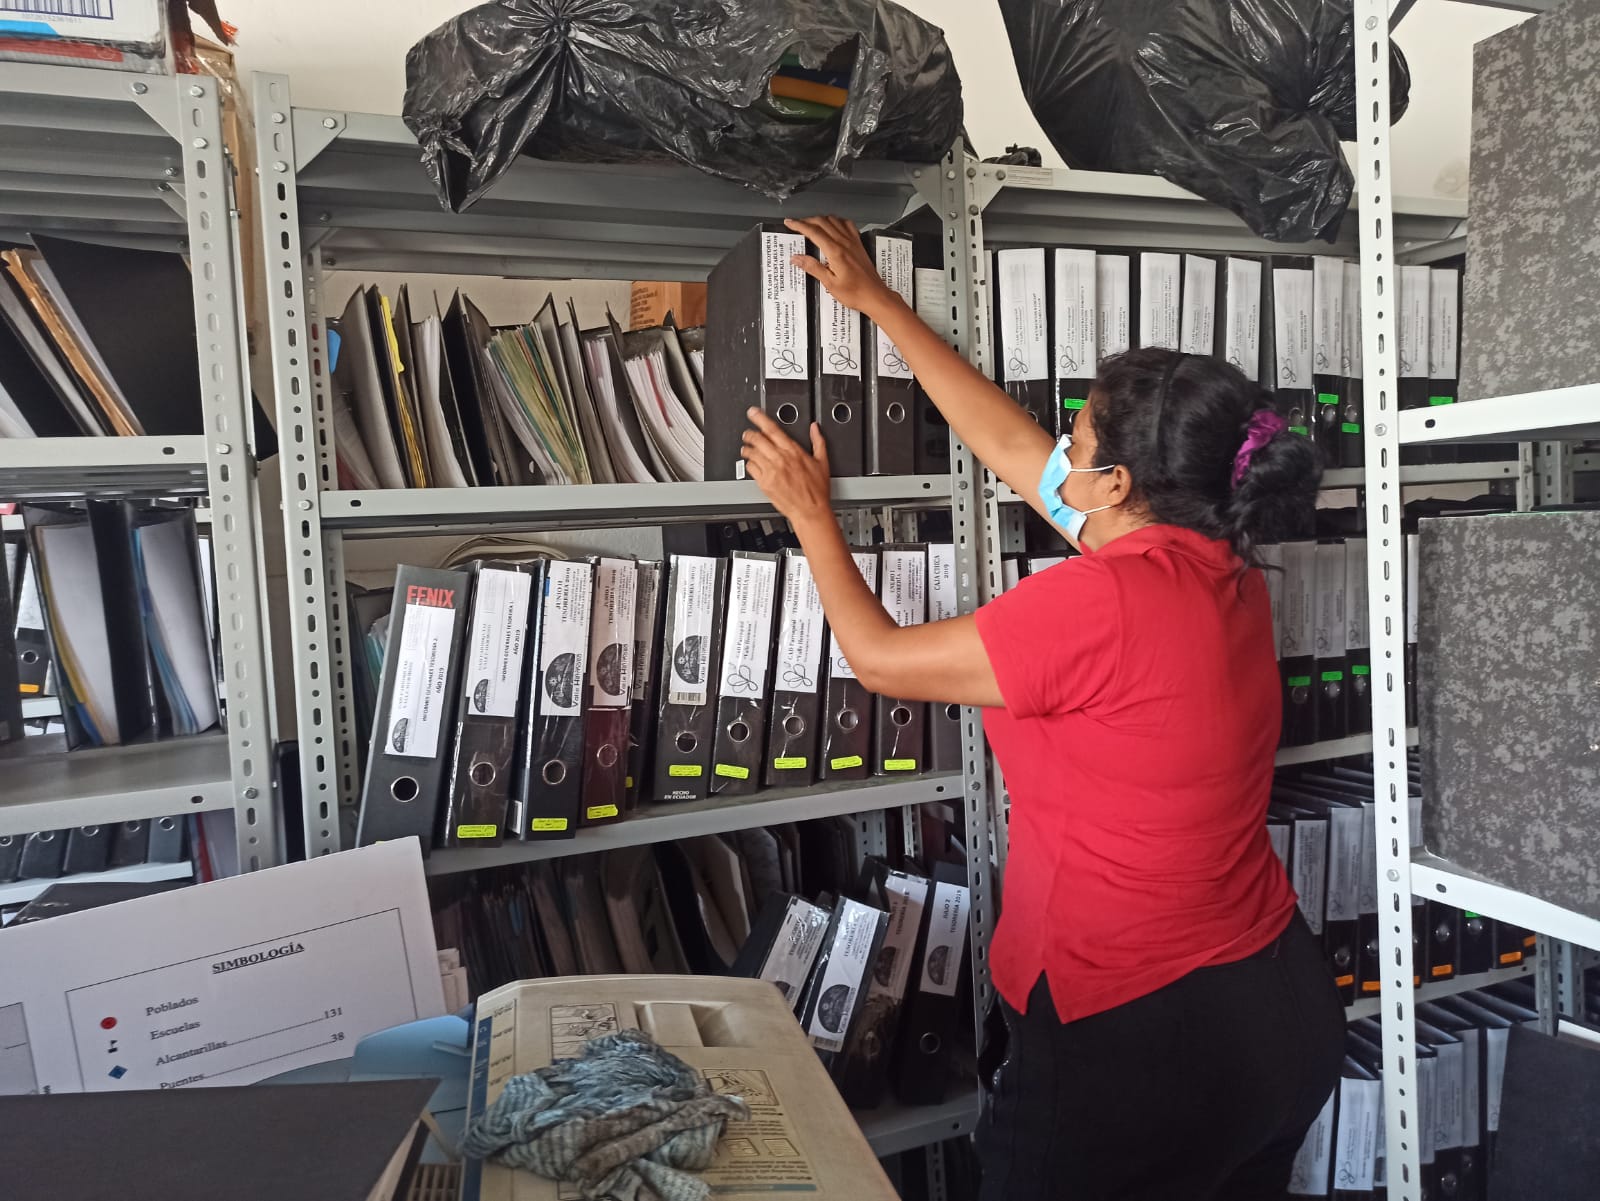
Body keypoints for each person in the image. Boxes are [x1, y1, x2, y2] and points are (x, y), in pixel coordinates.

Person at [739, 216, 1346, 1201]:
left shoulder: (1098, 601)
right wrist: (879, 304)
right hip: (1278, 1006)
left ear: (1116, 482)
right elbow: (1009, 447)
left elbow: (880, 660)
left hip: (1139, 1041)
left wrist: (811, 514)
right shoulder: (1222, 564)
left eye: (1079, 438)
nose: (1059, 448)